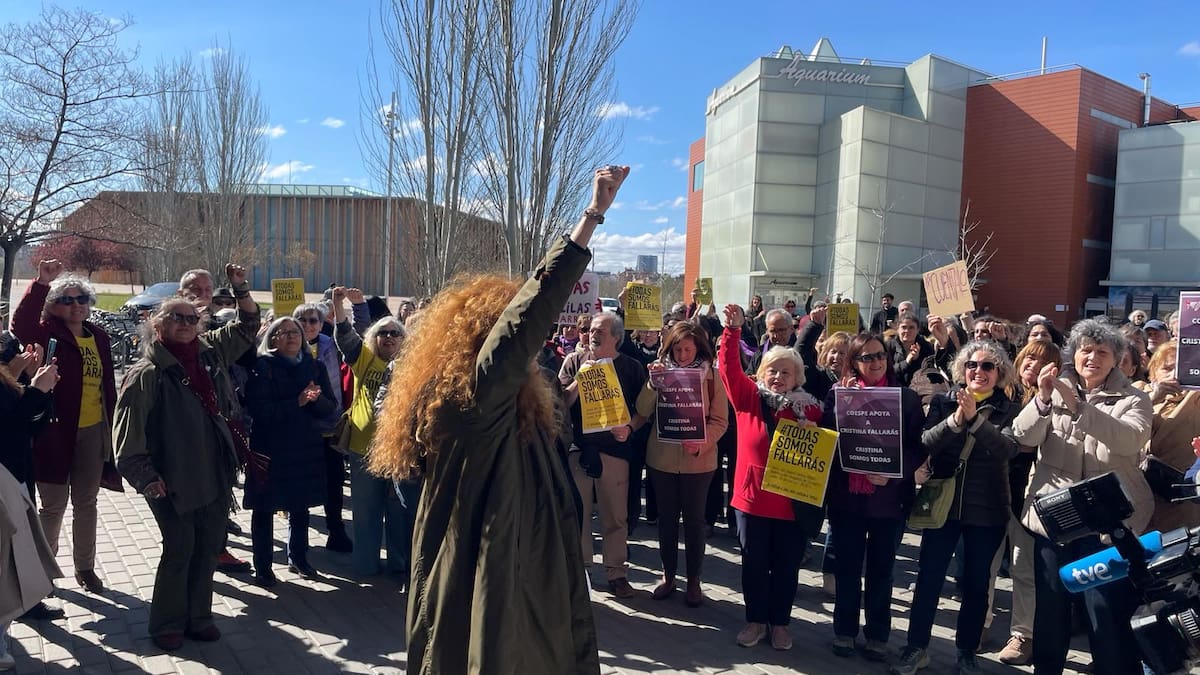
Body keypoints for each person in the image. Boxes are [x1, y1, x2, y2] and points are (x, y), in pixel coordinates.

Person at [366, 164, 627, 674]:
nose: (532, 350)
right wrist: (590, 218)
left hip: (505, 550)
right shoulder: (477, 392)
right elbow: (526, 320)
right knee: (492, 648)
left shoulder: (491, 394)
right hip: (497, 559)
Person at [113, 268, 261, 651]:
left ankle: (199, 617)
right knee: (180, 547)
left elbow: (249, 325)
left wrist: (241, 287)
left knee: (209, 545)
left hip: (214, 472)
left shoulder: (210, 354)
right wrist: (146, 477)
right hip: (171, 478)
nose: (184, 323)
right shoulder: (147, 372)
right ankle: (166, 624)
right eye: (175, 317)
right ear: (156, 323)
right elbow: (127, 439)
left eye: (191, 318)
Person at [1013, 319, 1152, 675]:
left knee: (1103, 611)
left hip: (1107, 525)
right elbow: (1023, 437)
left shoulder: (1134, 398)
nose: (1092, 357)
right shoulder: (1054, 390)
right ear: (1074, 354)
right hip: (1056, 520)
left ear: (1117, 359)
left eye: (1102, 352)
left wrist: (1080, 408)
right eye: (1086, 350)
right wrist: (1043, 398)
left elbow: (1129, 440)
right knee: (1051, 609)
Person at [892, 341, 1018, 675]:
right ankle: (916, 647)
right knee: (928, 580)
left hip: (987, 511)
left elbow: (1007, 449)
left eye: (988, 366)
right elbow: (923, 443)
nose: (979, 371)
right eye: (972, 365)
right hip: (941, 509)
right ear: (962, 370)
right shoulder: (944, 402)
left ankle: (966, 652)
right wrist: (955, 421)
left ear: (999, 374)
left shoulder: (1010, 408)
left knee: (976, 587)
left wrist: (975, 421)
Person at [719, 303, 824, 651]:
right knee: (753, 565)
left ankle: (779, 623)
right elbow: (729, 369)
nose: (778, 377)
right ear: (761, 373)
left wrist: (814, 433)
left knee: (786, 567)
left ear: (797, 378)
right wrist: (732, 330)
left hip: (791, 503)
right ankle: (755, 621)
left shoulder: (810, 409)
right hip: (752, 500)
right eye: (772, 371)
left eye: (785, 372)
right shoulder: (748, 398)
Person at [11, 260, 116, 596]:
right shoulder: (45, 332)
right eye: (67, 299)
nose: (76, 305)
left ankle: (85, 568)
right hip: (55, 432)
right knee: (53, 506)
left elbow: (106, 386)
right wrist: (41, 283)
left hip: (92, 430)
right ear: (54, 305)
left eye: (81, 298)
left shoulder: (98, 336)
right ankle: (43, 573)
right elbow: (21, 324)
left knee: (87, 502)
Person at [824, 333, 925, 663]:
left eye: (880, 355)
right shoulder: (838, 395)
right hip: (847, 500)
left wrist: (895, 471)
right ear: (853, 362)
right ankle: (844, 631)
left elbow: (917, 448)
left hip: (889, 501)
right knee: (848, 568)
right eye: (866, 357)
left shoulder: (905, 398)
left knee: (882, 571)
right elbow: (826, 440)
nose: (875, 362)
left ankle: (878, 634)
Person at [635, 321, 727, 607]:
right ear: (670, 348)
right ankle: (668, 576)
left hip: (698, 462)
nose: (683, 354)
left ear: (698, 347)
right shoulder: (660, 371)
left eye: (688, 348)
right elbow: (641, 409)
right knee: (666, 520)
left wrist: (704, 443)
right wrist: (652, 384)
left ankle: (694, 580)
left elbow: (720, 421)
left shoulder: (711, 376)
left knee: (695, 523)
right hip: (662, 459)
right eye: (678, 348)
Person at [244, 317, 338, 586]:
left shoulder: (315, 367)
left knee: (300, 506)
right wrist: (296, 402)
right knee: (264, 508)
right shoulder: (262, 368)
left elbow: (329, 408)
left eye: (295, 332)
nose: (291, 337)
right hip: (270, 447)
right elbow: (260, 411)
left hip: (304, 446)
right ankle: (263, 566)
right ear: (272, 339)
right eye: (283, 333)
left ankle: (298, 558)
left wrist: (316, 399)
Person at [559, 311, 646, 598]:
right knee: (579, 514)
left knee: (615, 516)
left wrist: (629, 428)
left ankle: (616, 573)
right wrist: (578, 382)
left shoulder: (631, 367)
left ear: (617, 338)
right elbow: (559, 403)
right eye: (591, 329)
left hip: (615, 451)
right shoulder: (573, 361)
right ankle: (582, 570)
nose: (593, 334)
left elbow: (644, 410)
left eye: (601, 331)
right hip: (580, 451)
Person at [329, 287, 411, 578]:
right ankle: (366, 564)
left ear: (404, 340)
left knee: (399, 512)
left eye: (394, 333)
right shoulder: (364, 359)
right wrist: (339, 305)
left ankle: (401, 565)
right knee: (365, 512)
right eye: (383, 333)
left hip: (402, 451)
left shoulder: (413, 367)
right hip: (364, 449)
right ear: (374, 338)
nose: (388, 337)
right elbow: (344, 335)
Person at [994, 340, 1061, 665]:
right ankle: (978, 623)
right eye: (1030, 357)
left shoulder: (1056, 401)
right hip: (990, 492)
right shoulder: (1000, 390)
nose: (1033, 365)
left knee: (1023, 569)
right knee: (984, 568)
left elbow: (1021, 441)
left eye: (1043, 361)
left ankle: (1023, 635)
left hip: (1029, 496)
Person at [0, 341, 63, 649]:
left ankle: (25, 605)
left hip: (17, 476)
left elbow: (29, 427)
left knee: (17, 554)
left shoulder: (6, 355)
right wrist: (35, 389)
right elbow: (8, 431)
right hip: (5, 481)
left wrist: (30, 383)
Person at [1136, 341, 1200, 533]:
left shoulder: (1194, 397)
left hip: (1180, 497)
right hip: (1141, 494)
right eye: (1167, 368)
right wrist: (1154, 397)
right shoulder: (1139, 392)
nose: (1174, 375)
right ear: (1153, 372)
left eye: (1181, 369)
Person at [887, 311, 934, 387]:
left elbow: (930, 373)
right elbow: (888, 372)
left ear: (918, 330)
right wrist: (906, 362)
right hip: (895, 388)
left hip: (920, 389)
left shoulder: (926, 346)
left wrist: (916, 359)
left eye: (911, 327)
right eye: (904, 327)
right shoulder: (889, 346)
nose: (907, 331)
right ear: (897, 329)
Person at [748, 309, 795, 374]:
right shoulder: (760, 353)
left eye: (781, 330)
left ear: (791, 329)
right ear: (767, 331)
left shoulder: (801, 352)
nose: (776, 336)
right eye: (772, 331)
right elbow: (748, 375)